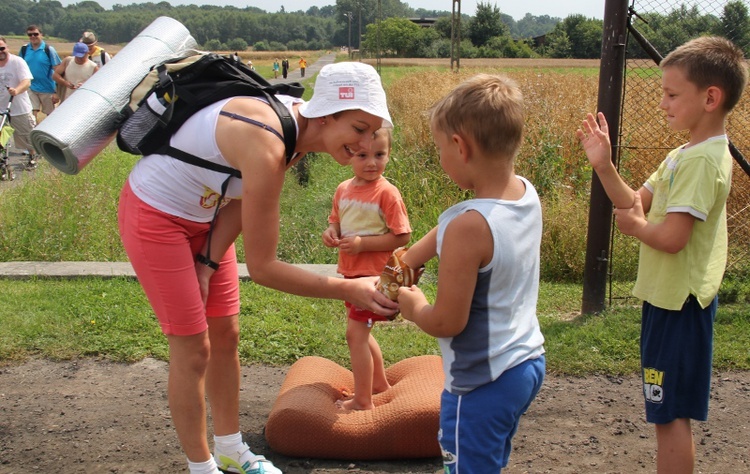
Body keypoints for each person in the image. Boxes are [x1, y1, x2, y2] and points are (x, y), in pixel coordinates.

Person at [117, 61, 397, 474]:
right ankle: (202, 467)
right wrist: (347, 288)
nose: (364, 143)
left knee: (226, 334)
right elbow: (264, 268)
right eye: (358, 128)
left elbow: (241, 199)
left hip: (206, 217)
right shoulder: (268, 141)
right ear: (325, 113)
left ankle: (231, 450)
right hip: (156, 216)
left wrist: (208, 262)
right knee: (193, 349)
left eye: (372, 132)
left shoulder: (296, 133)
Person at [576, 36, 747, 473]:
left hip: (680, 306)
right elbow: (634, 201)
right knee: (662, 410)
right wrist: (603, 165)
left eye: (672, 95)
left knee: (669, 416)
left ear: (711, 98)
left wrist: (635, 228)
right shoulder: (681, 154)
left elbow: (672, 237)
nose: (663, 104)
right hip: (664, 300)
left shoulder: (703, 161)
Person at [396, 74, 546, 473]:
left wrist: (413, 306)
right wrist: (409, 258)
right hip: (525, 362)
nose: (440, 155)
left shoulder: (468, 228)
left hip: (481, 383)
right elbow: (455, 225)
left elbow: (447, 320)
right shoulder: (524, 195)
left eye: (439, 147)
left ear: (460, 147)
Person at [322, 127, 412, 411]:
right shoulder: (343, 190)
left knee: (355, 334)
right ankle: (379, 385)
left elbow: (403, 236)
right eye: (363, 155)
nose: (372, 162)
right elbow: (335, 219)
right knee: (363, 332)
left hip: (374, 277)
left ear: (389, 154)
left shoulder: (387, 193)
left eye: (380, 154)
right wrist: (331, 231)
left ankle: (362, 401)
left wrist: (362, 244)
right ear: (349, 155)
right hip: (351, 274)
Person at [0, 36, 40, 170]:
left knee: (26, 135)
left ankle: (32, 156)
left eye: (2, 48)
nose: (0, 51)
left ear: (7, 48)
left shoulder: (17, 62)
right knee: (1, 136)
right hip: (1, 108)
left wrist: (16, 90)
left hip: (18, 107)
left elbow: (26, 81)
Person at [19, 25, 61, 124]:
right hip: (30, 87)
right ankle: (33, 134)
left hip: (47, 88)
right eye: (30, 34)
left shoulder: (48, 50)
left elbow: (58, 70)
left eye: (35, 34)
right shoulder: (24, 49)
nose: (33, 36)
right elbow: (20, 67)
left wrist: (57, 91)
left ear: (41, 35)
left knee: (50, 116)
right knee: (31, 113)